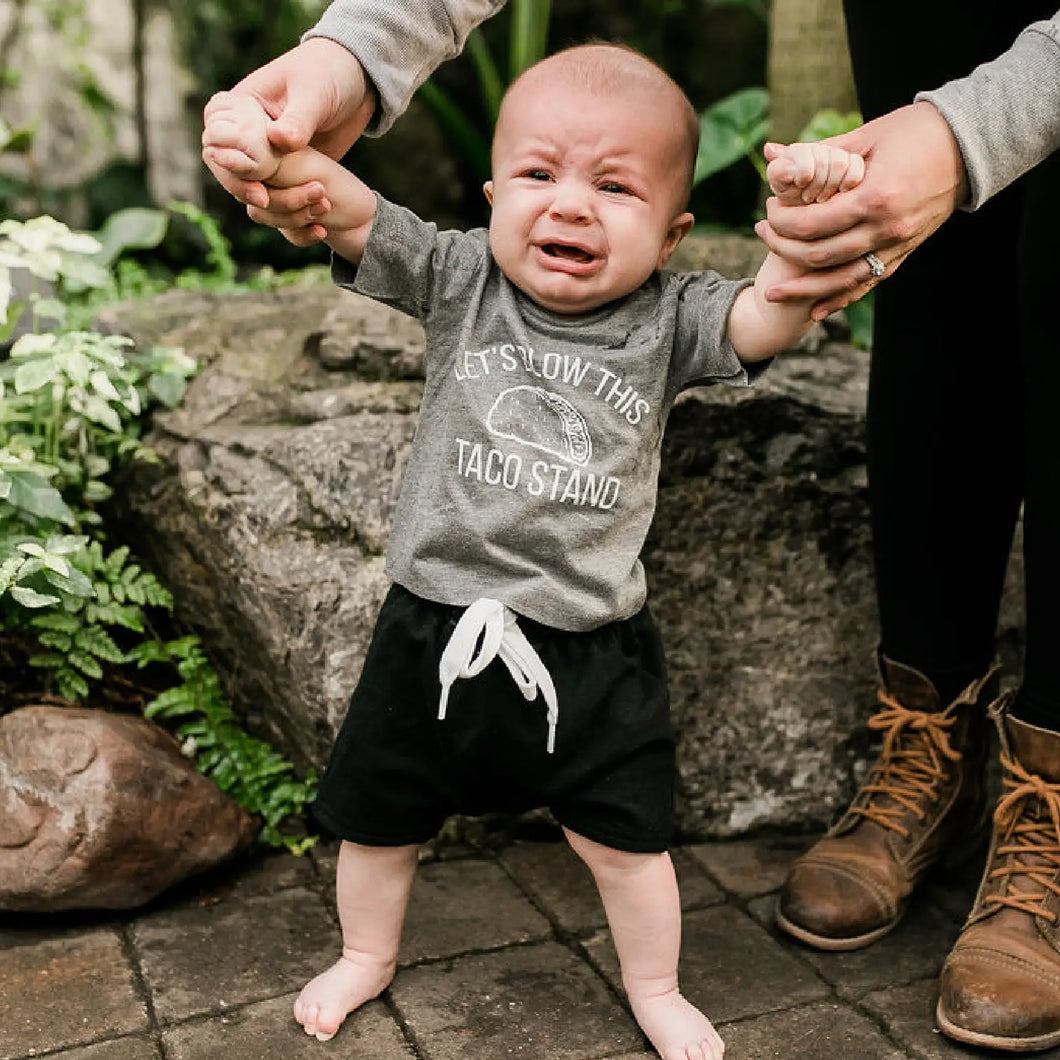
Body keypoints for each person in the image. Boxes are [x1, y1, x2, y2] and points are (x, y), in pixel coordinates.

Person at [203, 1, 1060, 1051]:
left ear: (673, 231)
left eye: (615, 187)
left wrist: (808, 234)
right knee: (377, 824)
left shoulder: (670, 314)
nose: (570, 207)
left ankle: (653, 986)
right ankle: (364, 955)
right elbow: (341, 209)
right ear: (488, 194)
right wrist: (277, 134)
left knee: (628, 844)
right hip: (429, 627)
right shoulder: (458, 276)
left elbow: (764, 315)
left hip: (592, 644)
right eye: (538, 176)